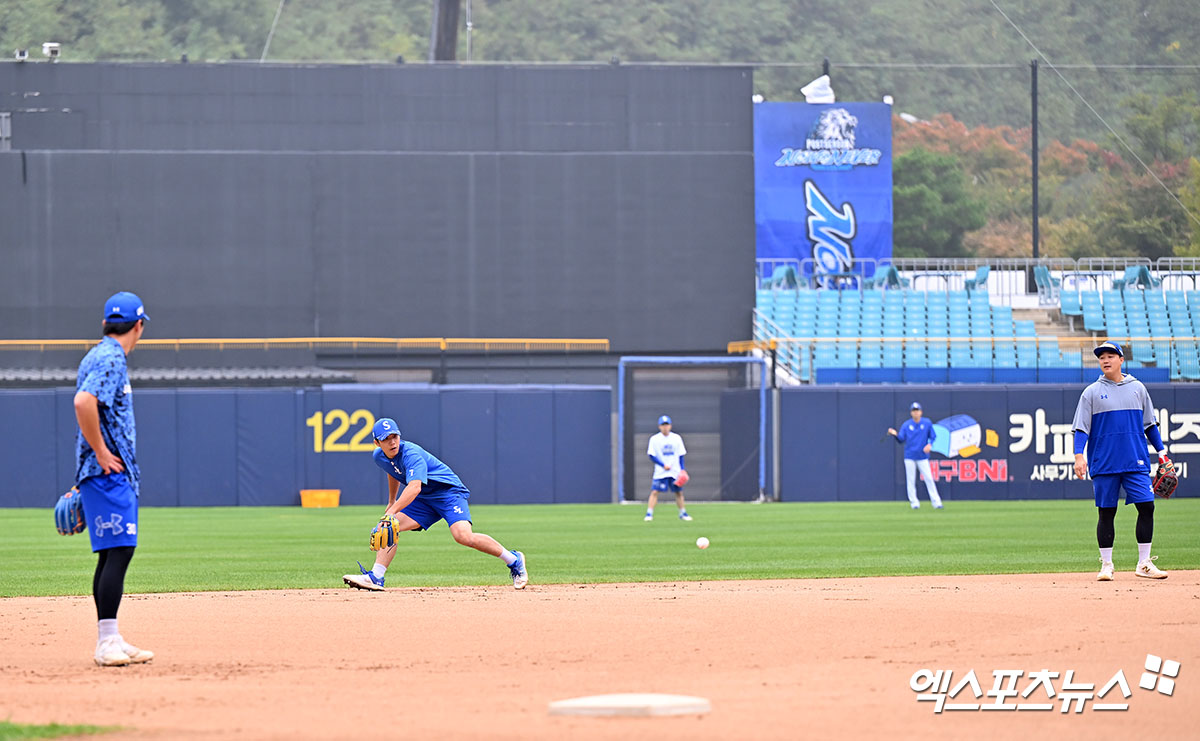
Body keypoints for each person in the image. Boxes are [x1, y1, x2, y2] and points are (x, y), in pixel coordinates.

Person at [343, 417, 528, 591]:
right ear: (377, 443)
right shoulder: (380, 457)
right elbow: (392, 470)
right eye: (386, 439)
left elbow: (414, 487)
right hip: (425, 498)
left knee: (463, 536)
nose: (392, 442)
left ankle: (513, 559)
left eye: (395, 437)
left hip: (448, 493)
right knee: (388, 526)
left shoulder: (411, 454)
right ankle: (376, 577)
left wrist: (393, 509)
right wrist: (392, 500)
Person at [73, 291, 155, 667]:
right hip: (108, 472)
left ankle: (110, 637)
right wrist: (102, 455)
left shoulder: (98, 353)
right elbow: (84, 402)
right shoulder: (111, 358)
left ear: (107, 322)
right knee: (120, 550)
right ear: (138, 325)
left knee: (112, 552)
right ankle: (106, 643)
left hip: (102, 474)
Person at [1072, 341, 1171, 582]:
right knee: (1106, 513)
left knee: (1147, 507)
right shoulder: (1091, 392)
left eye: (1110, 356)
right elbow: (1081, 429)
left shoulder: (1137, 388)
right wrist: (1078, 456)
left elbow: (1150, 424)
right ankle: (1107, 565)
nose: (1105, 360)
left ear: (1121, 360)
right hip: (1104, 462)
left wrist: (1162, 453)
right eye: (1101, 357)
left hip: (1135, 460)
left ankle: (1144, 563)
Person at [888, 402, 944, 510]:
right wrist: (895, 434)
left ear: (921, 412)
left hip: (922, 456)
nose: (916, 413)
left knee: (929, 478)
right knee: (911, 480)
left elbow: (933, 436)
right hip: (910, 456)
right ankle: (914, 503)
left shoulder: (927, 423)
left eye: (917, 410)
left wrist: (929, 445)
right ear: (911, 413)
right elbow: (901, 439)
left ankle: (936, 502)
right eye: (914, 411)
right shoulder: (906, 425)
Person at [644, 415, 691, 521]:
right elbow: (651, 455)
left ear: (670, 426)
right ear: (659, 426)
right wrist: (662, 465)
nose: (665, 427)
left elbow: (681, 455)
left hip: (675, 471)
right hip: (661, 471)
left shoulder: (676, 438)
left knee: (678, 492)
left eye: (667, 425)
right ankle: (649, 514)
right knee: (655, 491)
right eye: (663, 425)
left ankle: (683, 513)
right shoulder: (655, 439)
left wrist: (682, 469)